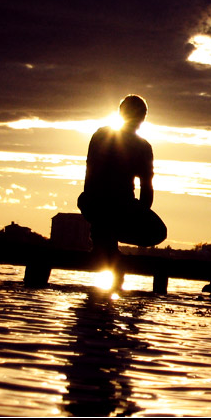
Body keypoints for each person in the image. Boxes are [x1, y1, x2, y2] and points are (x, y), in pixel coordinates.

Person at [78, 95, 167, 282]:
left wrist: (138, 214)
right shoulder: (106, 137)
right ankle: (105, 237)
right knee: (155, 231)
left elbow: (146, 189)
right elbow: (146, 191)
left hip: (116, 207)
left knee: (158, 231)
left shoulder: (137, 146)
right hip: (104, 205)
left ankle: (106, 237)